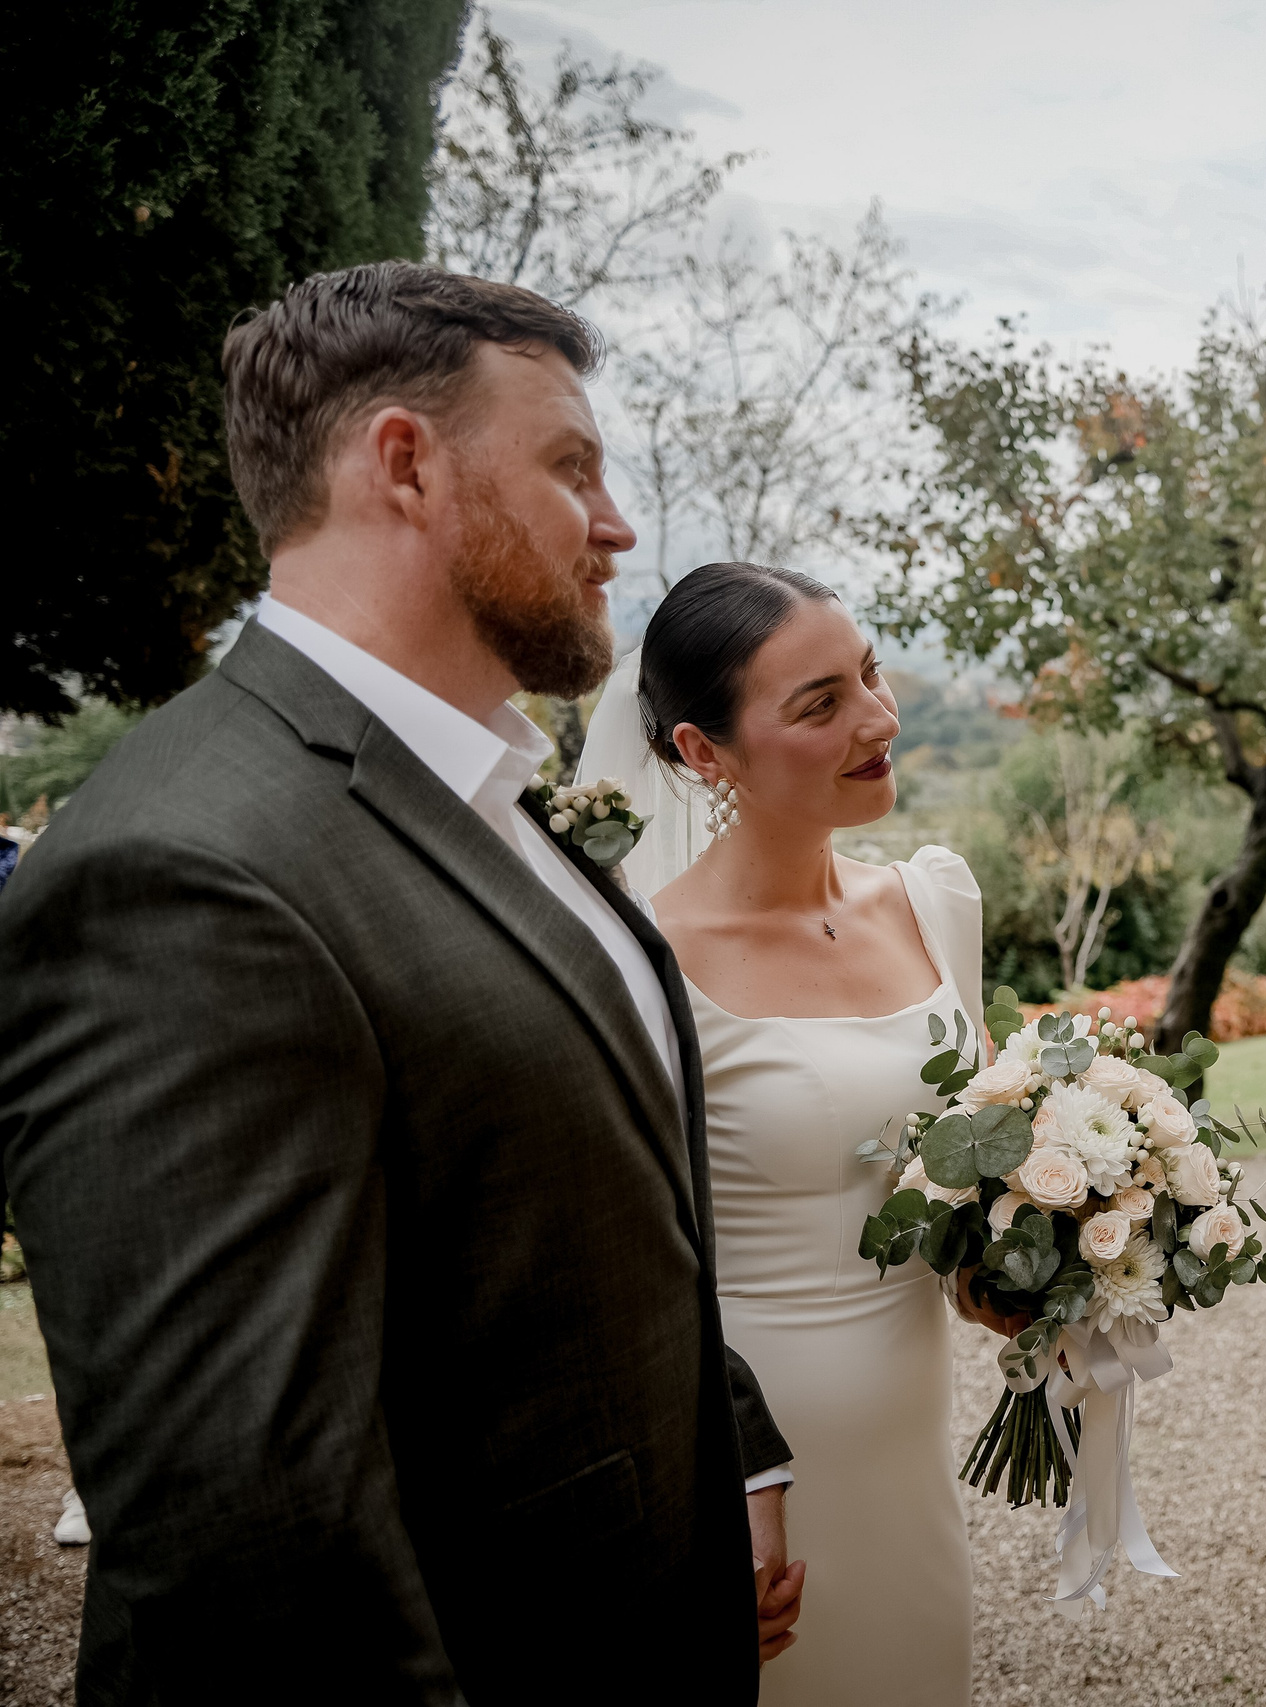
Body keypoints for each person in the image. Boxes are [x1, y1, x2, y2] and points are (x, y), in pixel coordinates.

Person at [0, 262, 804, 1702]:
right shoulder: (183, 873)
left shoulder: (491, 783)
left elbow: (593, 1205)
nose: (618, 526)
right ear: (406, 463)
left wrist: (726, 1454)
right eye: (571, 467)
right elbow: (250, 1542)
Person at [574, 561, 988, 1704]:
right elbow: (618, 1269)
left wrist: (1008, 1276)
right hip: (748, 1476)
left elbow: (965, 1177)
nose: (878, 720)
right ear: (702, 752)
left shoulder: (934, 901)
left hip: (910, 1465)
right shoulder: (639, 963)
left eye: (870, 675)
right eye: (820, 705)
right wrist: (731, 1488)